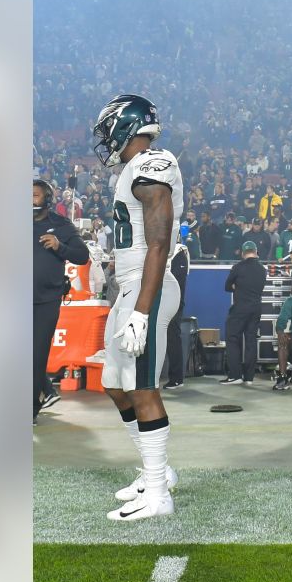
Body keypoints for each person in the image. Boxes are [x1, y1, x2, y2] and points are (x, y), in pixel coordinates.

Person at [91, 93, 183, 522]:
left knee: (143, 387)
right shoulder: (133, 168)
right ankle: (156, 472)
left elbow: (159, 241)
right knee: (114, 381)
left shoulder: (152, 163)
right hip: (129, 287)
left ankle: (159, 493)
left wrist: (142, 311)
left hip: (149, 287)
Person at [33, 178, 90, 423]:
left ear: (47, 199)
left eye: (34, 195)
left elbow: (82, 255)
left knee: (36, 356)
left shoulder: (61, 225)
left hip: (46, 300)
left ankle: (30, 409)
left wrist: (59, 247)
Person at [221, 240, 267, 385]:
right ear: (256, 252)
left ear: (242, 253)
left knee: (232, 338)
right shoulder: (262, 269)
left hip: (240, 308)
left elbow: (227, 286)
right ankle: (249, 378)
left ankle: (235, 375)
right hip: (256, 308)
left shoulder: (237, 267)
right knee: (251, 341)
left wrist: (237, 287)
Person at [163, 241, 191, 390]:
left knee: (172, 337)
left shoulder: (179, 253)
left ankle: (176, 378)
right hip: (160, 300)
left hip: (173, 301)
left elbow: (176, 282)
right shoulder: (161, 249)